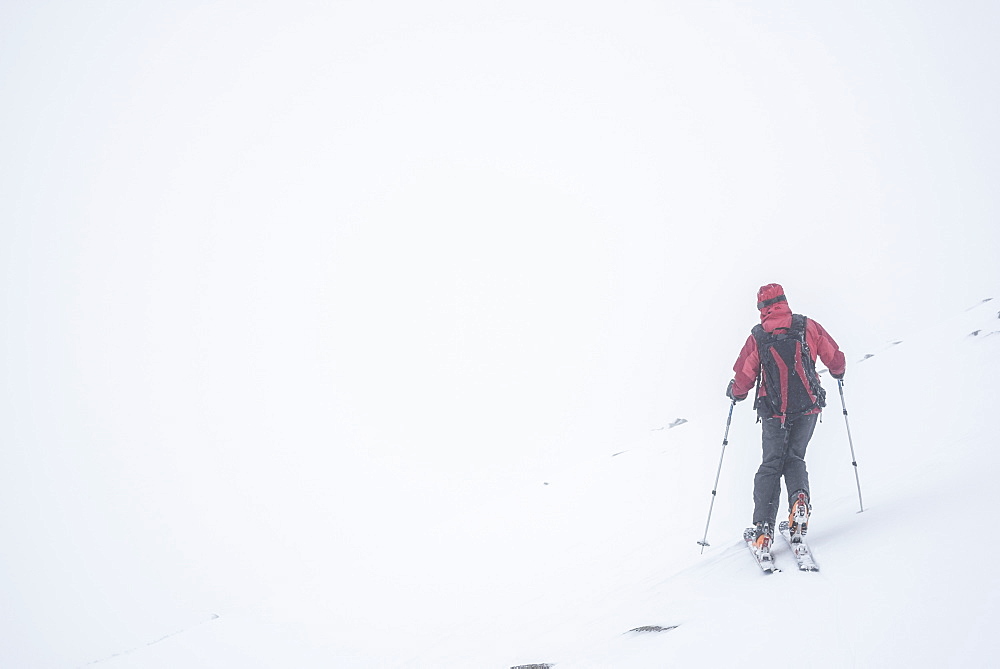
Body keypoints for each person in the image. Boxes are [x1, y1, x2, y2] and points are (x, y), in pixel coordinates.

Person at [726, 283, 846, 557]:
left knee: (770, 465)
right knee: (795, 458)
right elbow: (834, 357)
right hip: (808, 407)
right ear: (784, 301)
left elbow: (744, 376)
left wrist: (735, 392)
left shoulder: (758, 336)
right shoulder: (806, 325)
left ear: (761, 309)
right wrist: (838, 372)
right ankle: (799, 502)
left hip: (774, 413)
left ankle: (764, 530)